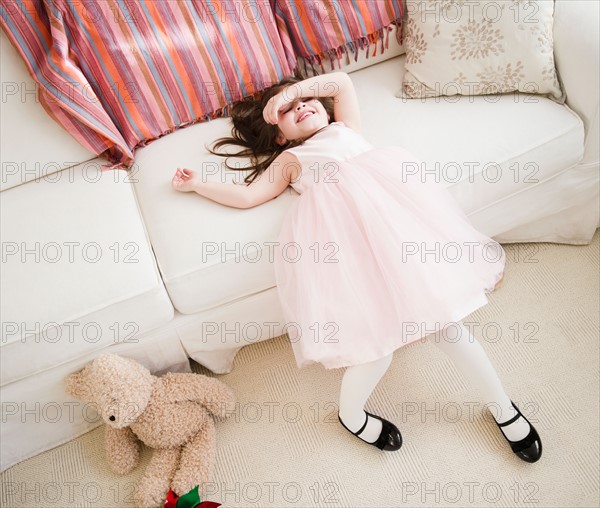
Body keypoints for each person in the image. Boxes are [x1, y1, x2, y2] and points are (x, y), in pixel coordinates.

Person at [172, 72, 542, 463]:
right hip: (350, 256)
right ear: (279, 135)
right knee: (376, 349)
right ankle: (351, 415)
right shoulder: (291, 159)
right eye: (288, 110)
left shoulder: (345, 127)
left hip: (399, 239)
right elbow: (249, 196)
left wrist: (295, 90)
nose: (300, 106)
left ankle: (504, 408)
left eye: (305, 101)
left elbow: (343, 84)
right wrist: (198, 185)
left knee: (448, 324)